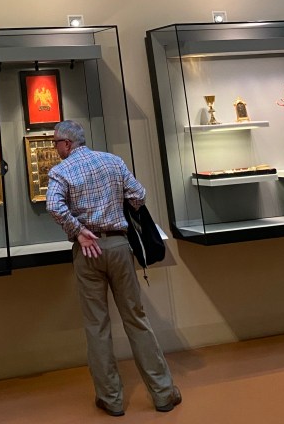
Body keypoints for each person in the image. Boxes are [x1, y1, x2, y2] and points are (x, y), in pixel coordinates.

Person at [46, 120, 181, 416]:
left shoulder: (60, 172)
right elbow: (138, 195)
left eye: (55, 142)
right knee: (136, 319)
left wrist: (79, 231)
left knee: (97, 326)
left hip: (87, 250)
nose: (54, 148)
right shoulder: (113, 161)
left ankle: (111, 398)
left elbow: (54, 206)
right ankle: (163, 393)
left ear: (67, 143)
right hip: (119, 246)